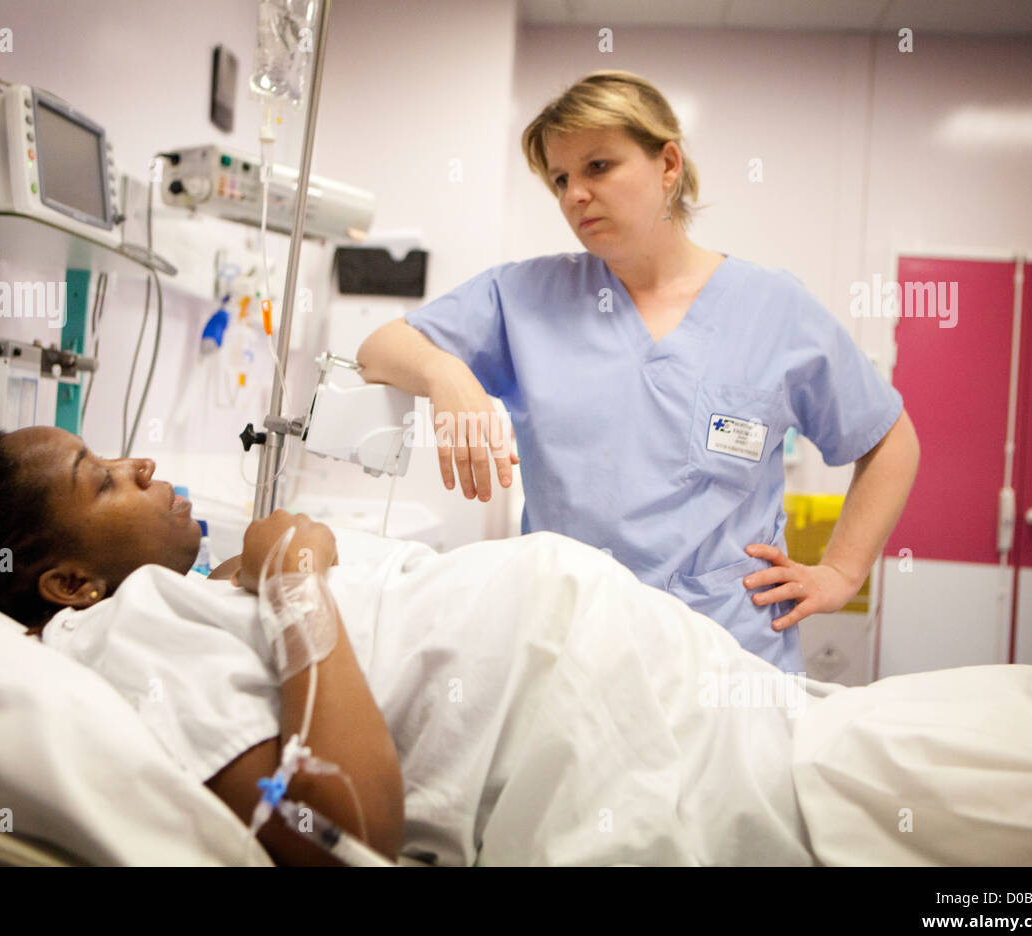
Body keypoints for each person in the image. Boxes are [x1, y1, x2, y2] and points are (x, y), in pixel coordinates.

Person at [0, 428, 1032, 867]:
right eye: (102, 476)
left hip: (722, 730)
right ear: (71, 579)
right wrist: (303, 579)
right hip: (707, 783)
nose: (142, 462)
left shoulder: (177, 602)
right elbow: (336, 828)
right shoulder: (120, 648)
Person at [356, 70, 920, 671]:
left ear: (668, 164)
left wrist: (840, 571)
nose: (575, 194)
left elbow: (888, 438)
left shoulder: (774, 307)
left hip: (727, 658)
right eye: (560, 178)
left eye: (598, 166)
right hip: (570, 653)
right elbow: (379, 349)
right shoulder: (525, 296)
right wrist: (448, 376)